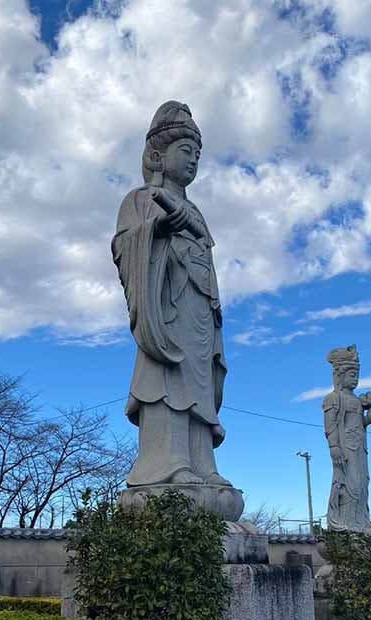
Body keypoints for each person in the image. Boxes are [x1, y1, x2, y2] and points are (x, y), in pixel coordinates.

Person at [112, 100, 234, 504]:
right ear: (157, 155)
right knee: (167, 383)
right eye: (186, 151)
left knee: (199, 389)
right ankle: (167, 464)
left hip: (198, 310)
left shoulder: (196, 210)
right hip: (165, 309)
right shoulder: (141, 199)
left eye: (198, 154)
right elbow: (125, 246)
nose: (194, 160)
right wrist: (159, 230)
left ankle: (204, 465)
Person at [324, 345, 371, 533]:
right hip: (345, 446)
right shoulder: (333, 398)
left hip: (359, 447)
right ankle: (346, 522)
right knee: (350, 483)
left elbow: (362, 422)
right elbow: (330, 425)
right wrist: (334, 446)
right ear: (339, 375)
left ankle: (361, 520)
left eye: (357, 375)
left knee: (363, 482)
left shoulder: (356, 400)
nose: (355, 379)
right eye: (351, 374)